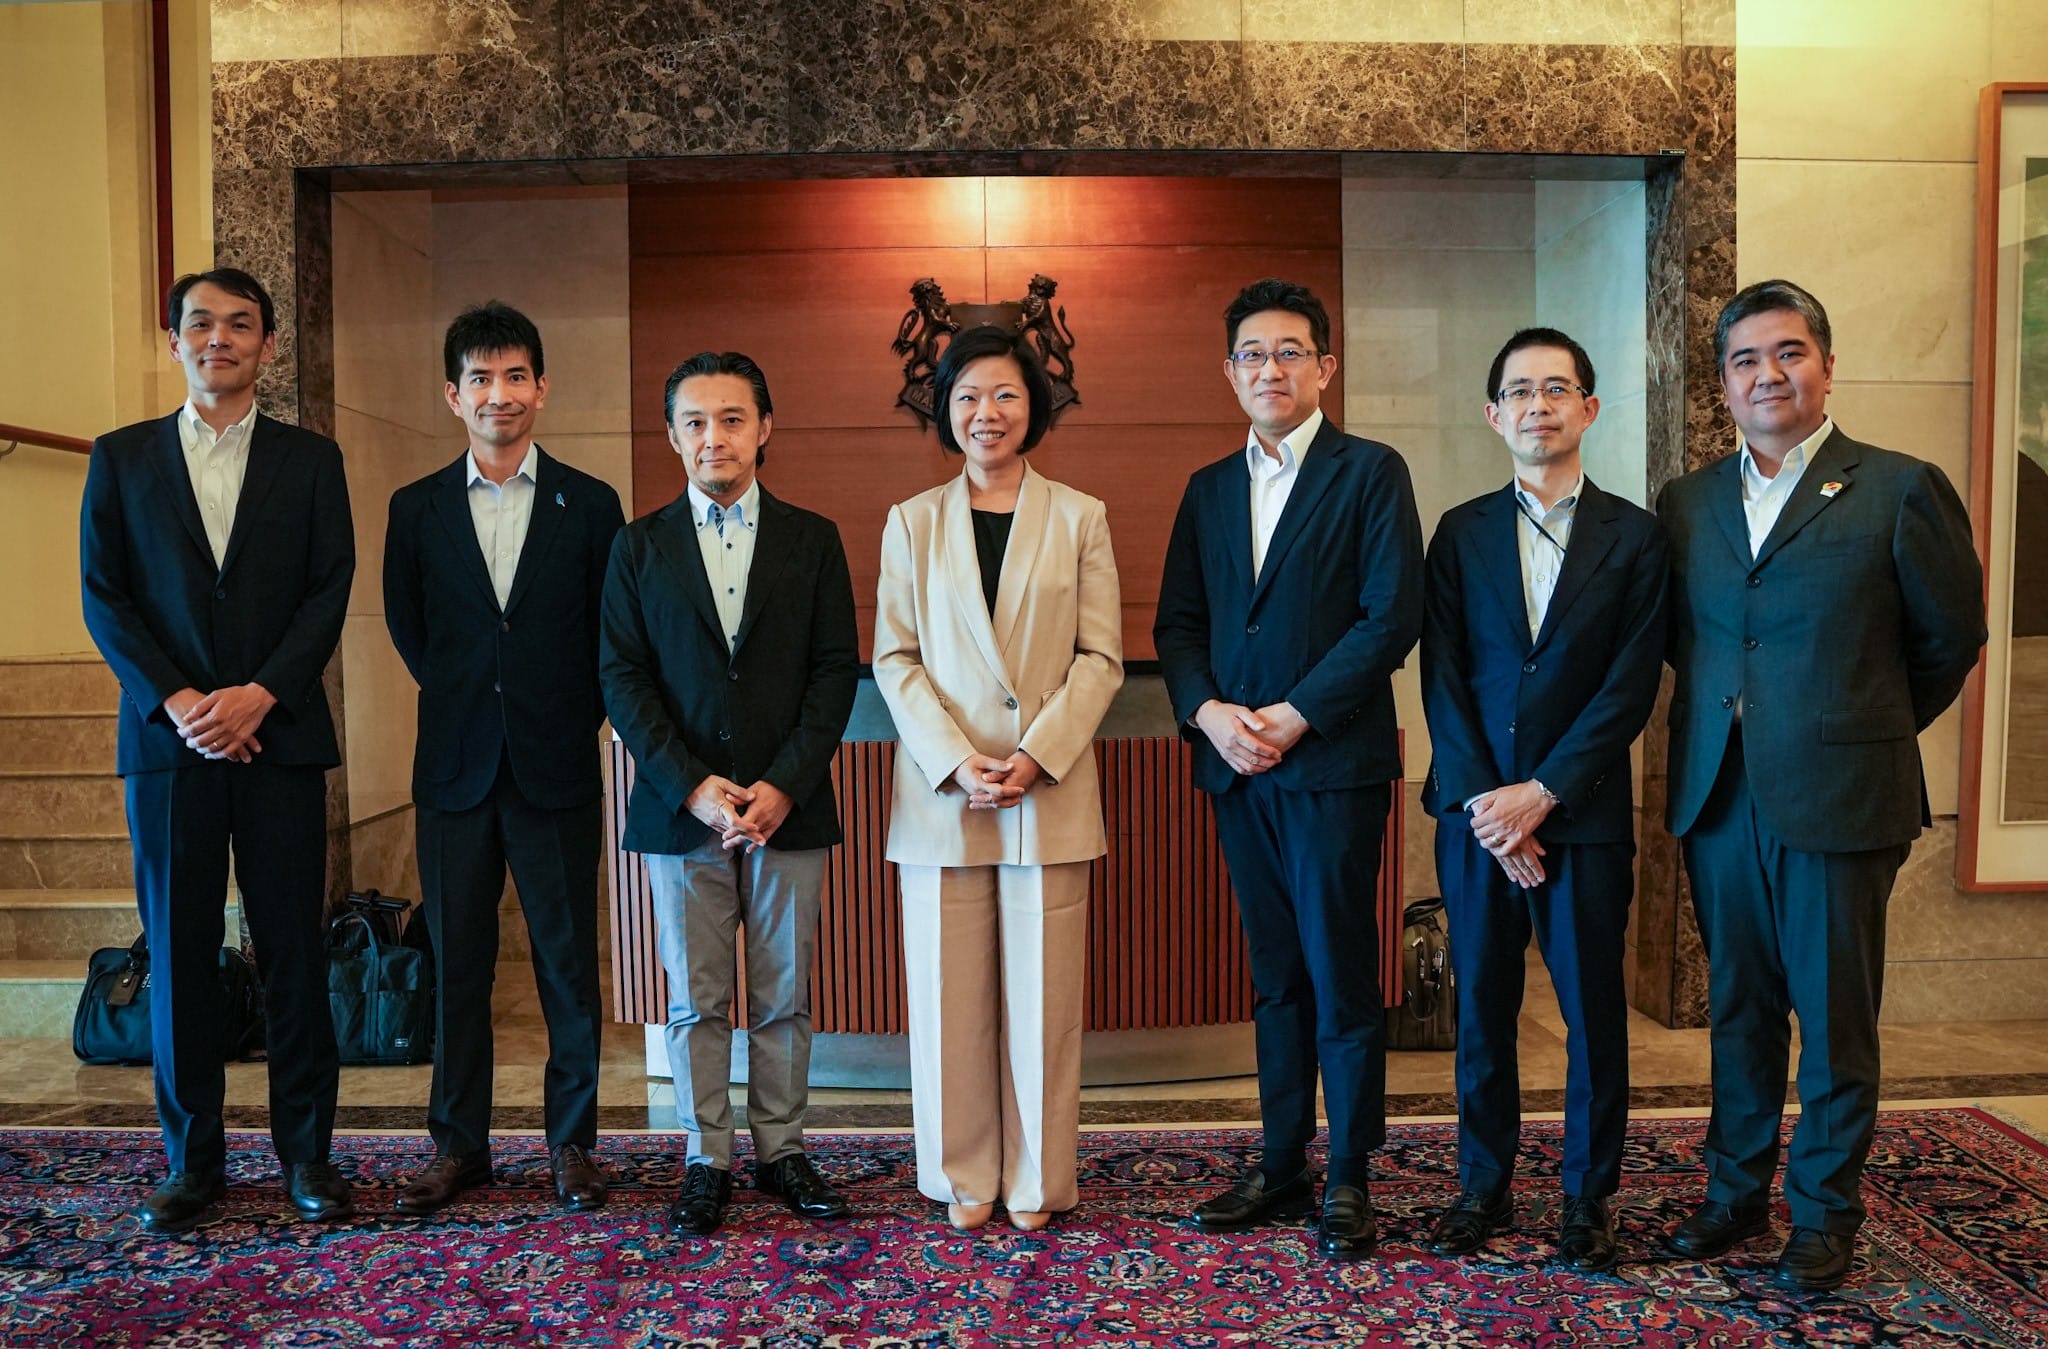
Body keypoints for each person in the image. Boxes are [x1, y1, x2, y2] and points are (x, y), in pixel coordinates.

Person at [1658, 279, 1985, 1290]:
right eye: (1745, 359)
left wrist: (1854, 728)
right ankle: (1732, 1192)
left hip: (1839, 802)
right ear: (1721, 384)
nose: (1768, 374)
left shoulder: (1895, 485)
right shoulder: (1688, 501)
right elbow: (1683, 642)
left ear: (1826, 365)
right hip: (1718, 798)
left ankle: (1822, 1216)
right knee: (1738, 1008)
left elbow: (1948, 638)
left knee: (1834, 1018)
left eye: (1787, 352)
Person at [78, 268, 355, 1233]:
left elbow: (329, 589)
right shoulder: (120, 459)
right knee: (184, 956)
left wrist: (260, 694)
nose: (221, 338)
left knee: (291, 954)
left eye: (241, 324)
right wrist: (184, 700)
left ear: (268, 347)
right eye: (202, 324)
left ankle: (307, 1157)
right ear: (174, 342)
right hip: (168, 746)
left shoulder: (313, 461)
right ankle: (191, 1162)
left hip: (278, 742)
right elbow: (104, 597)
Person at [1154, 278, 1424, 1260]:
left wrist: (1294, 712)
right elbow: (1178, 625)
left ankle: (1348, 1170)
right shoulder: (1206, 488)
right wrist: (1208, 711)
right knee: (1274, 978)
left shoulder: (1369, 472)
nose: (1269, 369)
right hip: (1238, 773)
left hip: (1331, 768)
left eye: (1289, 352)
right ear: (1229, 371)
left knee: (1340, 973)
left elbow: (1389, 615)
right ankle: (1279, 1160)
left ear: (1324, 366)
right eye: (1251, 355)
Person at [1418, 328, 1668, 1271]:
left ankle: (1588, 1198)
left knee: (1592, 1014)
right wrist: (1495, 806)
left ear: (1589, 408)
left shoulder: (1637, 537)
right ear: (1494, 415)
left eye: (1557, 388)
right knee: (1481, 1008)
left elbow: (1630, 685)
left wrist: (1544, 794)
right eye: (1519, 390)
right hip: (1478, 823)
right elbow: (1442, 676)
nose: (1538, 404)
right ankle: (1481, 1186)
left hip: (1586, 819)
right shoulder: (1459, 531)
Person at [599, 351, 859, 1236]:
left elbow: (834, 676)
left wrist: (784, 783)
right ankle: (706, 1155)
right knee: (697, 1000)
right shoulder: (637, 546)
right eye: (696, 421)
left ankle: (783, 1148)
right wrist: (694, 785)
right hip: (684, 816)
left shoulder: (814, 538)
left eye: (733, 418)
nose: (716, 436)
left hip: (790, 810)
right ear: (672, 435)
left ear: (765, 427)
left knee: (784, 995)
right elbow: (623, 680)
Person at [872, 325, 1124, 1233]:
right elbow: (894, 658)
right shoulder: (911, 520)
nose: (987, 413)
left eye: (1006, 395)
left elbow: (1102, 656)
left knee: (1046, 998)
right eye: (969, 396)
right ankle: (962, 1170)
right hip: (944, 794)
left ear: (1034, 407)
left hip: (1046, 787)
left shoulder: (1081, 515)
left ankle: (1037, 1177)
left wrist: (1035, 753)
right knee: (948, 998)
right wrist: (954, 758)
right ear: (945, 407)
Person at [383, 302, 625, 1216]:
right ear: (453, 394)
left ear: (542, 386)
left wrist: (571, 717)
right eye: (480, 378)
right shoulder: (416, 509)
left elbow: (612, 634)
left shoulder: (591, 504)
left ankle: (572, 1144)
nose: (499, 393)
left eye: (516, 375)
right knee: (458, 966)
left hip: (556, 766)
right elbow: (416, 634)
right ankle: (460, 1145)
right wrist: (471, 702)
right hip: (452, 771)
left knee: (566, 961)